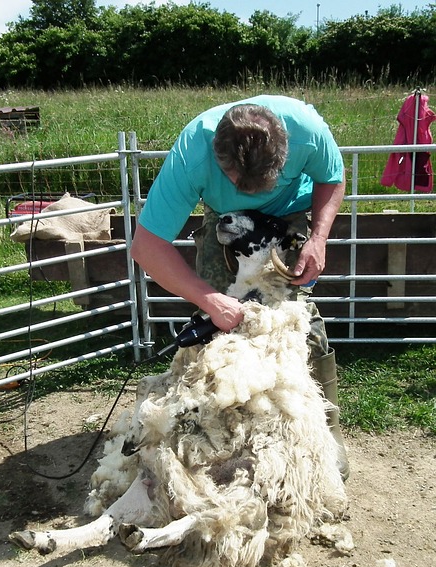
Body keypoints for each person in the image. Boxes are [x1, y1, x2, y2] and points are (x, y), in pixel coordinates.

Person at [130, 94, 349, 480]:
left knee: (290, 324)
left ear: (284, 154)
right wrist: (210, 298)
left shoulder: (308, 131)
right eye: (240, 182)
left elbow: (332, 178)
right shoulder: (193, 153)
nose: (253, 192)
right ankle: (223, 430)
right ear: (219, 158)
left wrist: (318, 237)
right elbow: (146, 247)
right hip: (222, 216)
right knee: (219, 324)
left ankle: (322, 432)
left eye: (262, 181)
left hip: (288, 215)